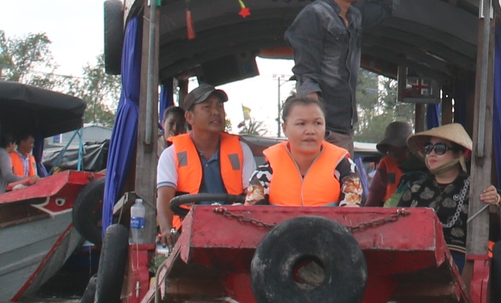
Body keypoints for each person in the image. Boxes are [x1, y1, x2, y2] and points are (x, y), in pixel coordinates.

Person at [287, 0, 397, 150]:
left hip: (343, 131)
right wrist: (316, 134)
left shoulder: (354, 16)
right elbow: (307, 78)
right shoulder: (314, 16)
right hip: (325, 134)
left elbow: (387, 3)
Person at [391, 122, 501, 257]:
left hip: (459, 256)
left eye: (439, 148)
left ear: (458, 154)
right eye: (428, 148)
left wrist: (497, 198)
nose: (431, 154)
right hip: (418, 255)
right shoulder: (416, 187)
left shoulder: (473, 187)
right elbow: (397, 223)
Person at [156, 83, 249, 239]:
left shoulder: (241, 150)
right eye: (207, 107)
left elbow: (253, 196)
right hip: (186, 234)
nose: (216, 112)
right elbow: (165, 197)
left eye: (220, 106)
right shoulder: (171, 154)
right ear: (189, 117)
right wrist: (166, 230)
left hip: (234, 231)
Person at [245, 93, 364, 206]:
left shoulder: (345, 168)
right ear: (285, 128)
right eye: (301, 124)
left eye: (317, 123)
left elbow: (351, 214)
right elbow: (251, 218)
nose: (310, 131)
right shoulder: (265, 173)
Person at [368, 119, 414, 205]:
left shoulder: (423, 163)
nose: (392, 152)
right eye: (389, 148)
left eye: (396, 147)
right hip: (390, 212)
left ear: (408, 147)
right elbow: (375, 193)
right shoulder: (386, 163)